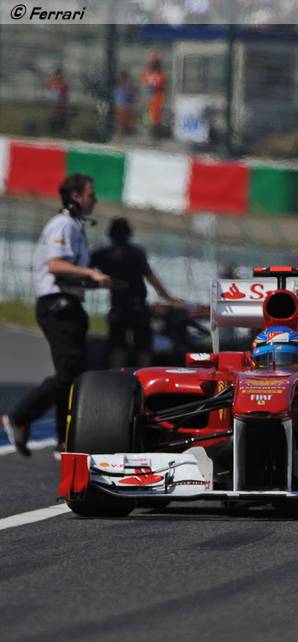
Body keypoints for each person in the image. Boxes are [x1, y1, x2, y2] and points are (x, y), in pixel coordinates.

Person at [2, 174, 110, 457]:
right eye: (91, 194)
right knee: (67, 374)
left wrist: (93, 281)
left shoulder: (76, 226)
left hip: (69, 304)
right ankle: (20, 416)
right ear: (76, 196)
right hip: (56, 306)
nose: (95, 200)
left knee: (74, 376)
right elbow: (55, 265)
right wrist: (90, 273)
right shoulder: (62, 224)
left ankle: (66, 440)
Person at [90, 217, 180, 368]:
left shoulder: (102, 254)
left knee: (117, 346)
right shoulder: (136, 252)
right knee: (143, 347)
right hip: (137, 305)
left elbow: (86, 269)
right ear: (129, 234)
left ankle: (116, 376)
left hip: (117, 305)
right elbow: (150, 277)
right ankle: (143, 377)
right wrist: (167, 297)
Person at [140, 53, 166, 138]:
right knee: (146, 118)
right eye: (152, 62)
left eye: (156, 62)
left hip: (157, 100)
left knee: (156, 119)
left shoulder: (161, 75)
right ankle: (149, 132)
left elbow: (158, 85)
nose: (153, 64)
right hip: (148, 100)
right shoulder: (146, 73)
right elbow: (144, 84)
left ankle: (155, 133)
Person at [45, 68, 70, 134]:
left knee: (60, 116)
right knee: (54, 116)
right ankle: (54, 130)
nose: (58, 76)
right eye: (56, 75)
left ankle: (60, 129)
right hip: (55, 105)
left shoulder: (63, 84)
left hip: (60, 105)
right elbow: (48, 89)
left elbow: (65, 94)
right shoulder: (52, 82)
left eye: (59, 75)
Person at [113, 70, 136, 136]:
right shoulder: (117, 87)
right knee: (121, 118)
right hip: (120, 107)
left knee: (126, 118)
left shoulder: (128, 86)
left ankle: (126, 130)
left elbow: (132, 95)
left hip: (125, 107)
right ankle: (123, 130)